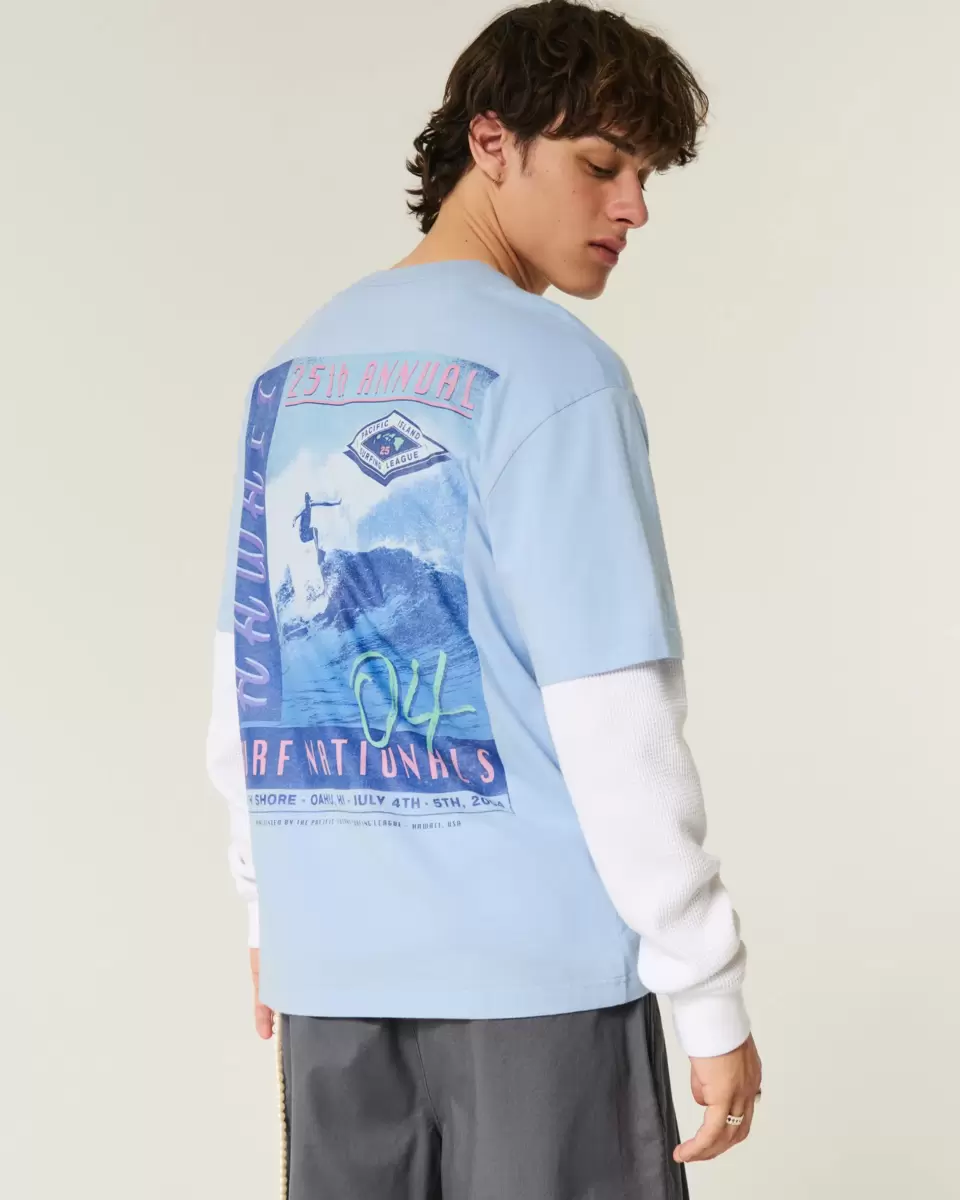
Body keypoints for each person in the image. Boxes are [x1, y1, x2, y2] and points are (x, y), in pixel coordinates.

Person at [206, 2, 762, 1196]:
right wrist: (706, 989)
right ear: (492, 142)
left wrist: (271, 915)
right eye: (602, 165)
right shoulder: (559, 376)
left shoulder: (295, 368)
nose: (634, 207)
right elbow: (614, 714)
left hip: (334, 979)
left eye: (647, 175)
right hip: (538, 991)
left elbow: (246, 679)